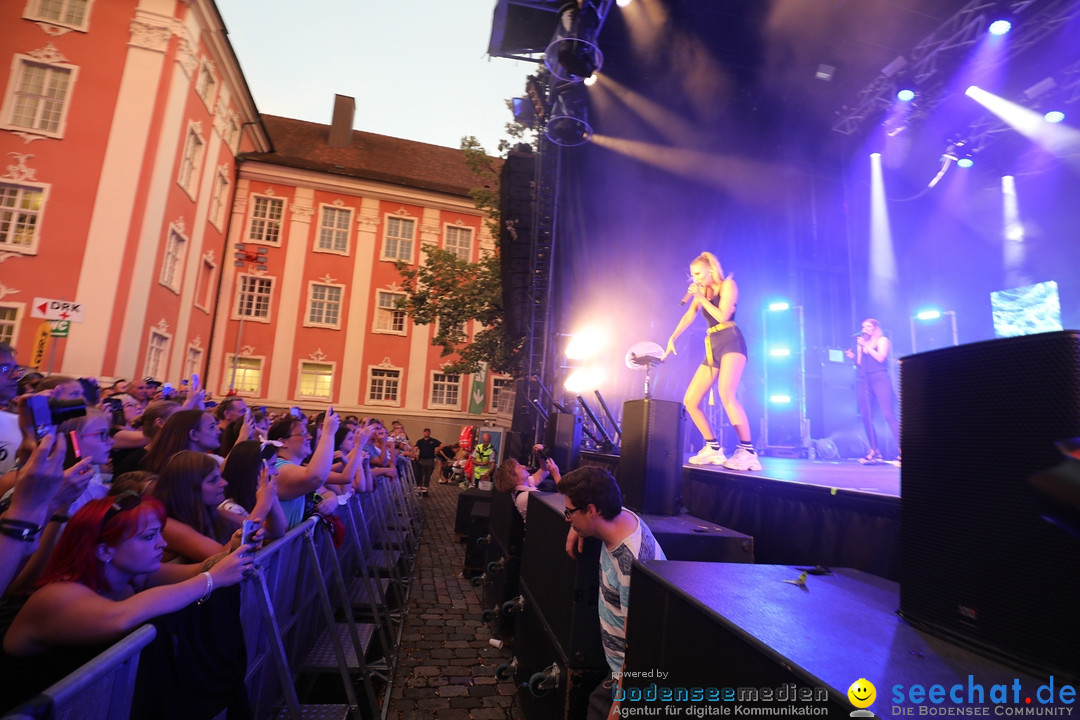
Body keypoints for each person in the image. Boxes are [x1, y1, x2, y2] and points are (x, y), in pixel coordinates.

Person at [1, 493, 253, 712]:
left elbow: (199, 570)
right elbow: (119, 617)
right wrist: (211, 580)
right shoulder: (57, 595)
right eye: (149, 537)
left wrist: (234, 550)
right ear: (104, 550)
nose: (162, 544)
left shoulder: (133, 575)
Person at [559, 466, 665, 720]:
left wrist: (617, 707)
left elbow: (637, 646)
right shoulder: (620, 517)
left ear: (592, 510)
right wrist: (578, 527)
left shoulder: (631, 564)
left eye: (569, 513)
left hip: (626, 677)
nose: (567, 519)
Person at [663, 251, 760, 471]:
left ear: (710, 270)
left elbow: (722, 315)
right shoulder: (703, 291)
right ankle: (712, 447)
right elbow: (689, 316)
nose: (694, 278)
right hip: (713, 345)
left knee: (727, 394)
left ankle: (748, 451)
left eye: (697, 273)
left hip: (731, 341)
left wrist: (700, 298)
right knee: (691, 399)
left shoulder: (728, 285)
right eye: (692, 275)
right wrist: (672, 337)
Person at [845, 318, 900, 464]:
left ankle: (903, 451)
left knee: (888, 414)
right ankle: (874, 451)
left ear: (875, 328)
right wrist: (853, 358)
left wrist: (867, 348)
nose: (865, 329)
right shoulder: (862, 343)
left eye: (868, 326)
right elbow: (860, 365)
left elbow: (881, 358)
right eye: (863, 326)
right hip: (865, 380)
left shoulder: (882, 340)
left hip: (880, 378)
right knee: (865, 416)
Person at [493, 448, 561, 520]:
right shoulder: (525, 497)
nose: (524, 466)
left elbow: (544, 470)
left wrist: (539, 456)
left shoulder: (523, 484)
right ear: (514, 478)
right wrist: (556, 474)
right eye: (519, 467)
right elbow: (559, 505)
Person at [414, 428, 440, 495]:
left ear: (430, 433)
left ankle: (425, 489)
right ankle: (419, 488)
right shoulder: (420, 441)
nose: (427, 433)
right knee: (420, 474)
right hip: (422, 459)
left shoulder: (433, 441)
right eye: (425, 432)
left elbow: (442, 445)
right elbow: (415, 448)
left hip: (430, 460)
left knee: (428, 475)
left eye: (428, 432)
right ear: (423, 433)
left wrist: (436, 451)